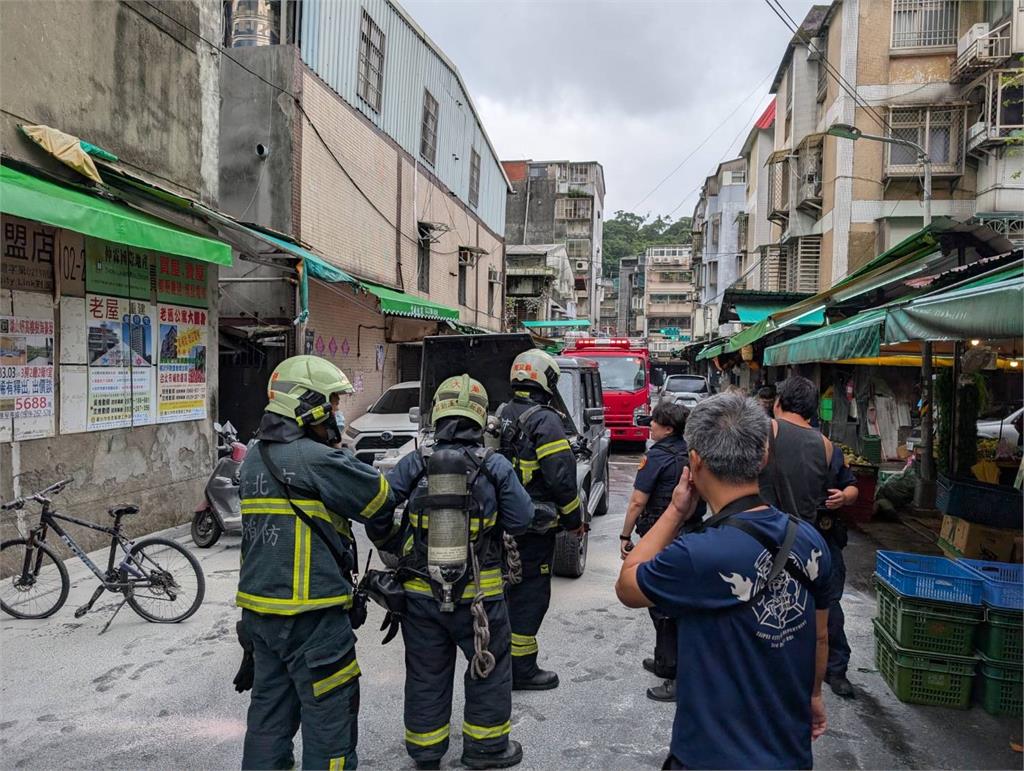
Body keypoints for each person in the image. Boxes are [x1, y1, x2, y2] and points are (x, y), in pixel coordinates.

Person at [616, 394, 832, 770]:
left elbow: (628, 584)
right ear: (762, 458)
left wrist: (675, 509)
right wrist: (814, 696)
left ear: (694, 462)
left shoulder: (697, 554)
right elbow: (820, 635)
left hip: (708, 756)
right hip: (790, 754)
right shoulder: (810, 541)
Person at [237, 355, 402, 771]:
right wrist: (343, 453)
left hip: (260, 614)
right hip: (312, 618)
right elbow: (379, 498)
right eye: (331, 403)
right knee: (330, 722)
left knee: (268, 718)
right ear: (306, 404)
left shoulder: (254, 458)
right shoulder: (315, 458)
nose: (336, 412)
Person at [387, 375, 535, 770]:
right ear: (481, 417)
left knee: (425, 673)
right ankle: (486, 751)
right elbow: (522, 520)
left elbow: (377, 510)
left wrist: (395, 545)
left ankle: (426, 751)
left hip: (421, 597)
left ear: (438, 412)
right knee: (488, 669)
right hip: (480, 602)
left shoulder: (415, 462)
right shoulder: (496, 465)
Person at [759, 375, 859, 699]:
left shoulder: (764, 433)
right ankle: (833, 671)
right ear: (814, 410)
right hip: (814, 542)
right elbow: (853, 487)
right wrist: (846, 497)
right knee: (826, 608)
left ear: (778, 402)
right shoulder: (828, 446)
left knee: (764, 607)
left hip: (765, 539)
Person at [496, 349, 584, 690]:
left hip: (502, 521)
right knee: (531, 595)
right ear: (547, 380)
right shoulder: (545, 419)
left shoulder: (502, 412)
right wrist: (573, 517)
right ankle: (523, 670)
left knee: (507, 591)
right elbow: (561, 477)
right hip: (534, 525)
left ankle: (503, 662)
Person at [619, 401, 696, 702]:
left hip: (660, 534)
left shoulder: (656, 457)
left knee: (663, 605)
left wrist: (625, 535)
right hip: (688, 534)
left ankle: (677, 674)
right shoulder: (692, 454)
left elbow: (638, 501)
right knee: (666, 602)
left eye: (655, 422)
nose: (649, 425)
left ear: (668, 428)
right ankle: (665, 661)